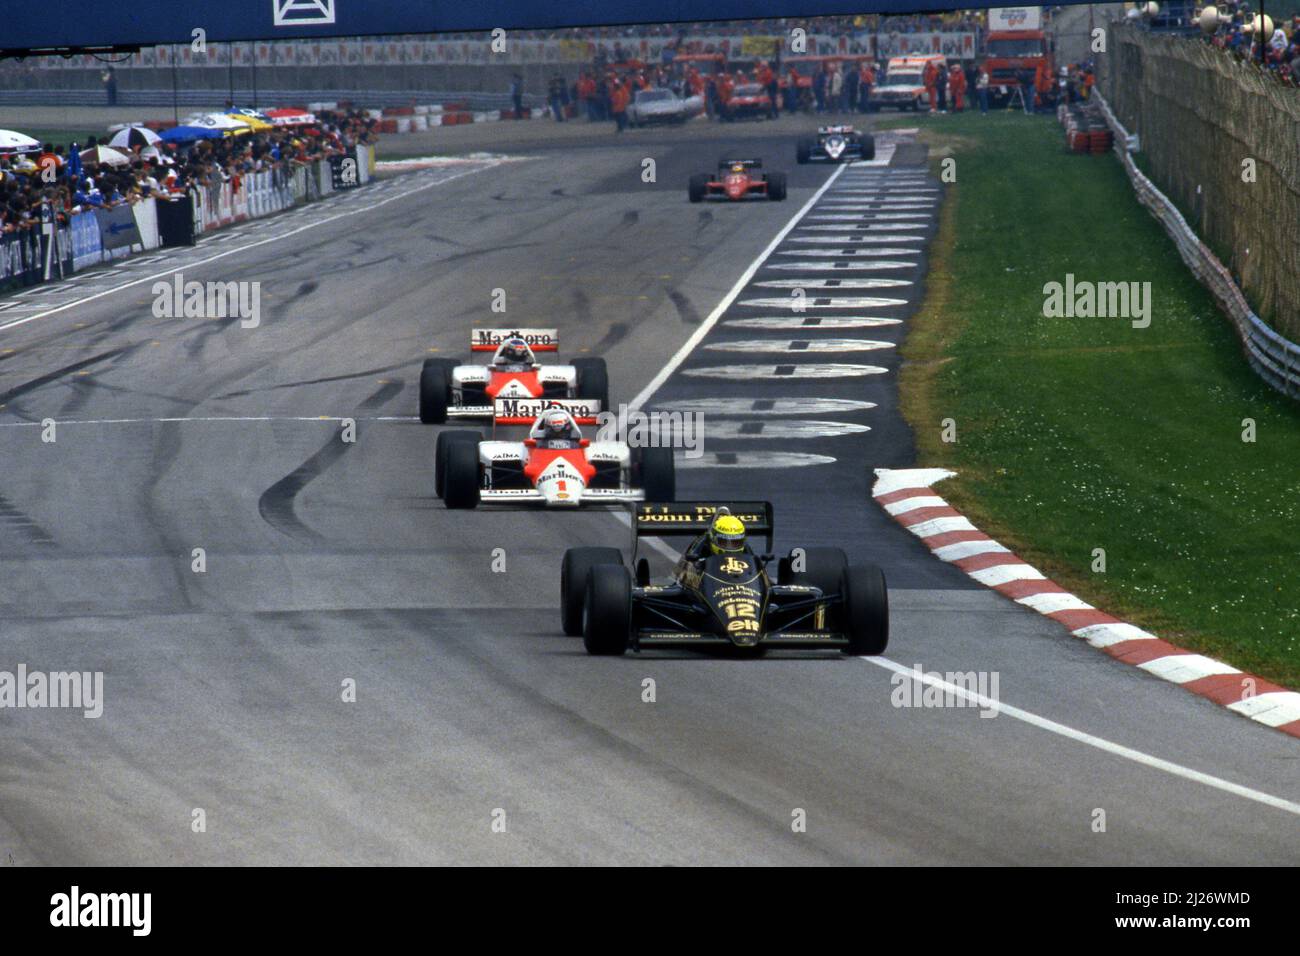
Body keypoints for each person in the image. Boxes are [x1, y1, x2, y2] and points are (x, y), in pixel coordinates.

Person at [681, 510, 748, 564]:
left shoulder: (746, 549)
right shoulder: (704, 546)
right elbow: (691, 557)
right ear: (713, 539)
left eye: (735, 542)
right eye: (724, 542)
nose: (730, 547)